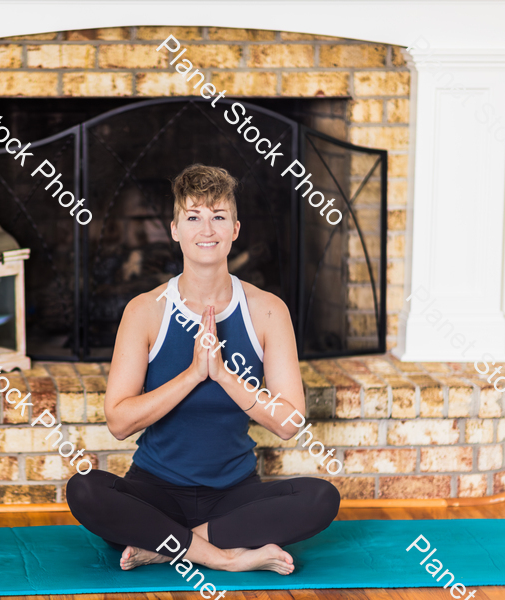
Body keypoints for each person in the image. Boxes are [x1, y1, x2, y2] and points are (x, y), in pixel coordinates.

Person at [65, 164, 340, 575]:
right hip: (154, 490)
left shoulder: (267, 310)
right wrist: (193, 373)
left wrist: (224, 375)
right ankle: (221, 555)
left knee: (321, 498)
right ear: (175, 229)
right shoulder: (144, 311)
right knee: (84, 489)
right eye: (193, 217)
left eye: (218, 217)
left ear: (235, 229)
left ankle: (167, 544)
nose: (206, 229)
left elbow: (289, 422)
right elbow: (119, 422)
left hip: (234, 494)